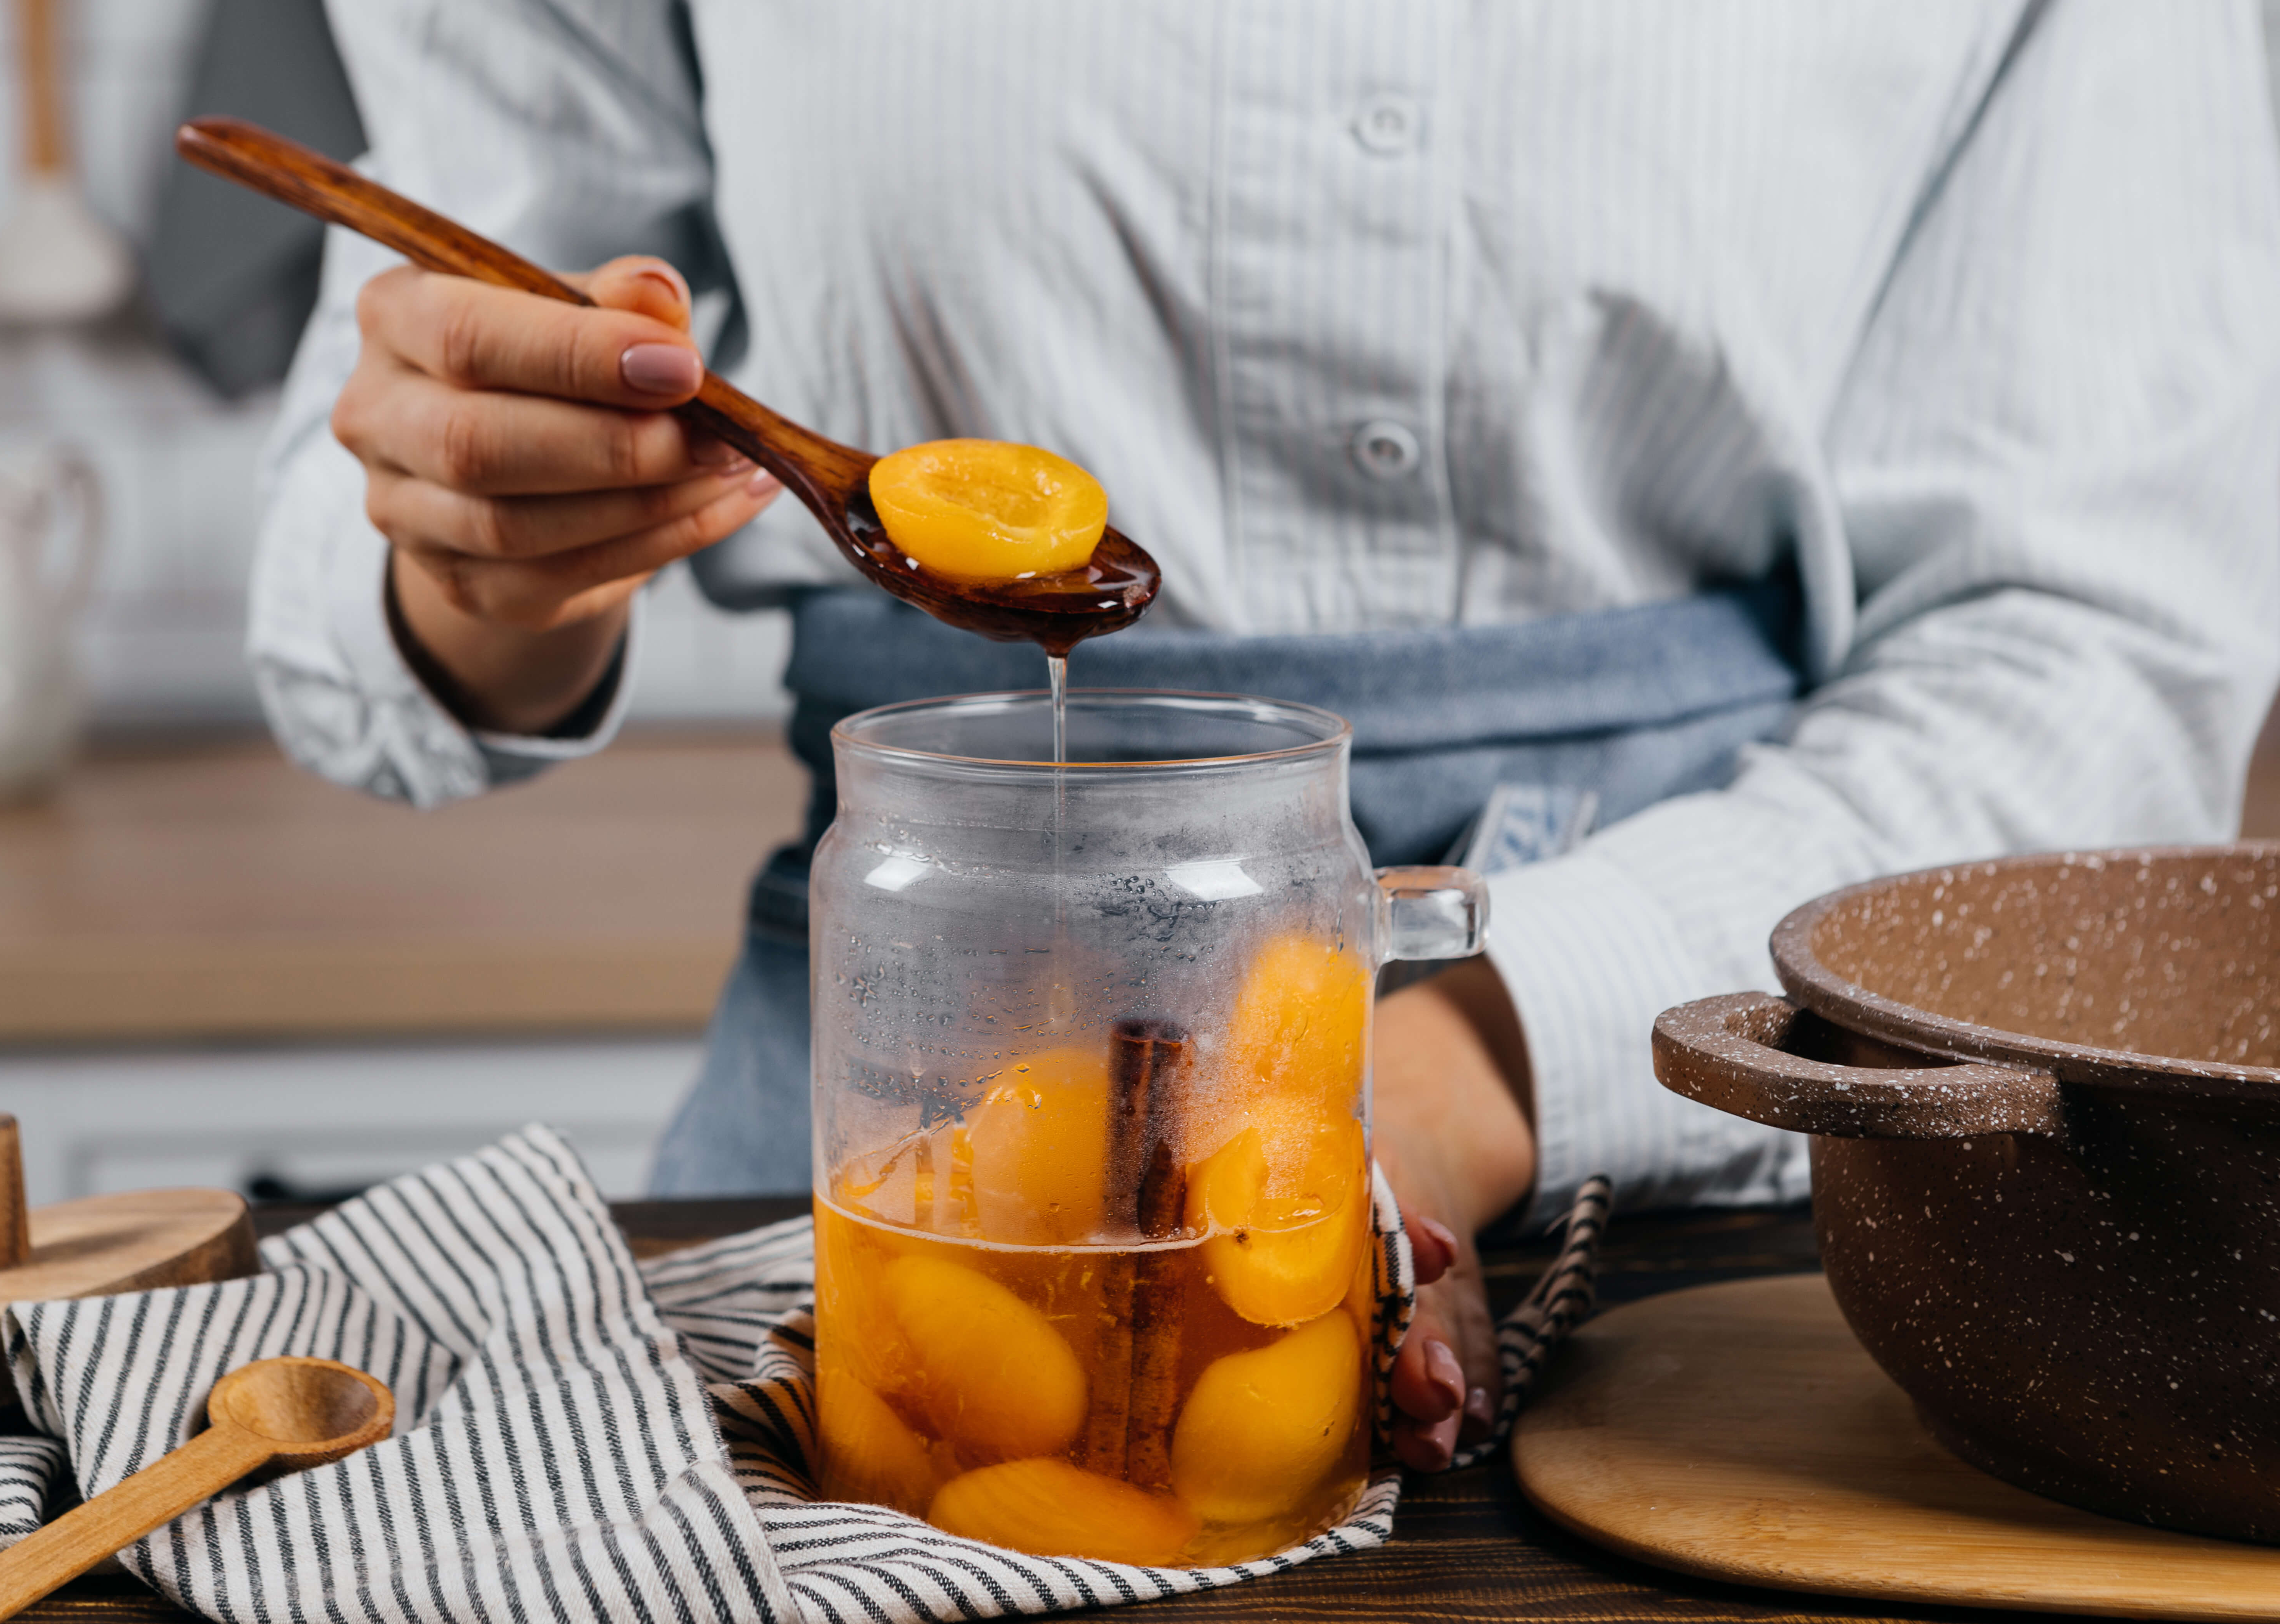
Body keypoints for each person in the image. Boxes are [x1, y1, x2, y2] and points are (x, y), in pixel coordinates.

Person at [252, 1, 2280, 1474]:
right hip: (875, 1134)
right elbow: (363, 558)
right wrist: (479, 545)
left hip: (1757, 1198)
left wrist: (1461, 1058)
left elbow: (2101, 651)